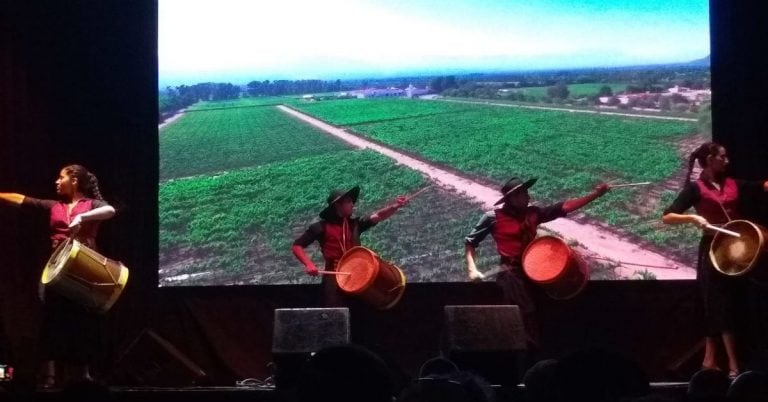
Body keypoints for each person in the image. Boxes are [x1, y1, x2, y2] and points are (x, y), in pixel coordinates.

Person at [0, 164, 116, 388]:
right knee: (51, 318)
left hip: (83, 268)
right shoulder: (55, 206)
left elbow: (110, 211)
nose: (56, 181)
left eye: (60, 177)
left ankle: (84, 374)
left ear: (74, 180)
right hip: (56, 268)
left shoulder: (91, 205)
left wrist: (82, 219)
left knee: (82, 320)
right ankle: (50, 375)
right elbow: (23, 199)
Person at [662, 142, 768, 379]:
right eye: (723, 156)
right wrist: (691, 219)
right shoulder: (695, 188)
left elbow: (760, 185)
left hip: (739, 248)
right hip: (714, 249)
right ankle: (733, 366)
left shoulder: (732, 184)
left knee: (735, 302)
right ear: (710, 160)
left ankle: (712, 360)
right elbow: (667, 216)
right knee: (719, 304)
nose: (727, 160)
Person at [464, 176, 609, 345]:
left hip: (534, 271)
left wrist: (596, 195)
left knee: (541, 312)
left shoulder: (533, 213)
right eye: (524, 194)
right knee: (524, 316)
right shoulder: (493, 217)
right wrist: (472, 269)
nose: (528, 197)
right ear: (513, 198)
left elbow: (564, 207)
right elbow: (470, 242)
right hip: (511, 276)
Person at [292, 186, 408, 306]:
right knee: (335, 312)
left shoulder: (355, 224)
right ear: (337, 205)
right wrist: (309, 264)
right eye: (348, 201)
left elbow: (378, 216)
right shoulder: (321, 227)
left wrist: (395, 206)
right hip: (334, 277)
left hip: (358, 275)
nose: (352, 204)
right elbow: (297, 246)